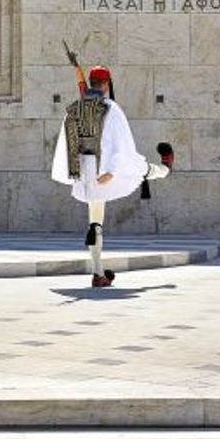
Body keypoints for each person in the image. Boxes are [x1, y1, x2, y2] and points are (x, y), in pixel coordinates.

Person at [51, 65, 173, 287]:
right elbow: (121, 145)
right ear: (107, 85)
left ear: (91, 82)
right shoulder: (111, 108)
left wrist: (75, 172)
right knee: (139, 167)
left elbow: (69, 142)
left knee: (95, 222)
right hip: (106, 171)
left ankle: (98, 273)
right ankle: (165, 168)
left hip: (86, 173)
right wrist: (113, 171)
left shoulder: (76, 107)